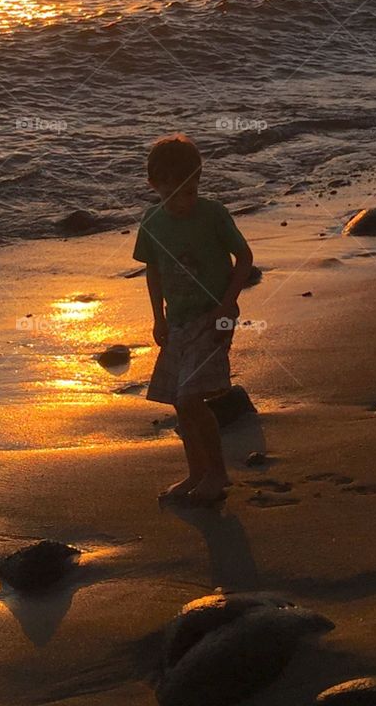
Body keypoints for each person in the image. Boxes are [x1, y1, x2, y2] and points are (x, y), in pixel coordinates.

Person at [132, 133, 254, 508]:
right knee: (177, 400)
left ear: (198, 183)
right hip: (178, 320)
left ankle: (216, 473)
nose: (182, 201)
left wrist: (226, 306)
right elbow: (153, 270)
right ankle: (196, 472)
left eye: (189, 191)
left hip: (212, 316)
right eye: (171, 193)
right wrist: (157, 319)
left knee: (189, 396)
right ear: (154, 185)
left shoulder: (213, 214)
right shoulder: (152, 221)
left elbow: (245, 258)